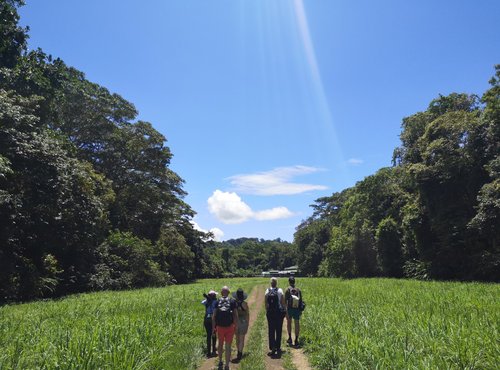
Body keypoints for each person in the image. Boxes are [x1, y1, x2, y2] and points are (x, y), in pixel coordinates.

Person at [212, 286, 238, 370]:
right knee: (228, 346)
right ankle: (227, 365)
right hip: (229, 327)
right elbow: (235, 315)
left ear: (221, 293)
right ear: (229, 292)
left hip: (219, 327)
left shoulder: (217, 301)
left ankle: (220, 361)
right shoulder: (232, 301)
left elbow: (214, 316)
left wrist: (213, 327)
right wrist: (235, 326)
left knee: (220, 344)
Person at [265, 277, 286, 358]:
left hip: (270, 313)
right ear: (276, 283)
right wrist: (285, 310)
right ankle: (278, 347)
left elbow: (266, 303)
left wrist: (267, 311)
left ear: (271, 283)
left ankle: (272, 347)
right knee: (279, 330)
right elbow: (283, 302)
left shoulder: (267, 291)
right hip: (278, 313)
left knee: (271, 330)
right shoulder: (280, 291)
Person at [231, 288, 249, 363]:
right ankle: (240, 353)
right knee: (242, 339)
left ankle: (238, 350)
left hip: (235, 322)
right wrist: (247, 323)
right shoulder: (245, 304)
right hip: (243, 322)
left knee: (237, 338)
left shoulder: (233, 303)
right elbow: (247, 314)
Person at [285, 276, 303, 347]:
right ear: (294, 282)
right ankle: (296, 340)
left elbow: (285, 301)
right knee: (297, 324)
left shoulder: (287, 290)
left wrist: (286, 311)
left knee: (289, 323)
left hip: (290, 309)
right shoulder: (298, 290)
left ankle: (290, 338)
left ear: (289, 282)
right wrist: (300, 310)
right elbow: (300, 301)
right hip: (297, 309)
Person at [201, 290, 218, 357]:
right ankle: (213, 350)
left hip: (207, 319)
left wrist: (208, 299)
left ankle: (208, 352)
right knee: (214, 333)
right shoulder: (216, 302)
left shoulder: (206, 302)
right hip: (214, 319)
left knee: (208, 335)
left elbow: (202, 302)